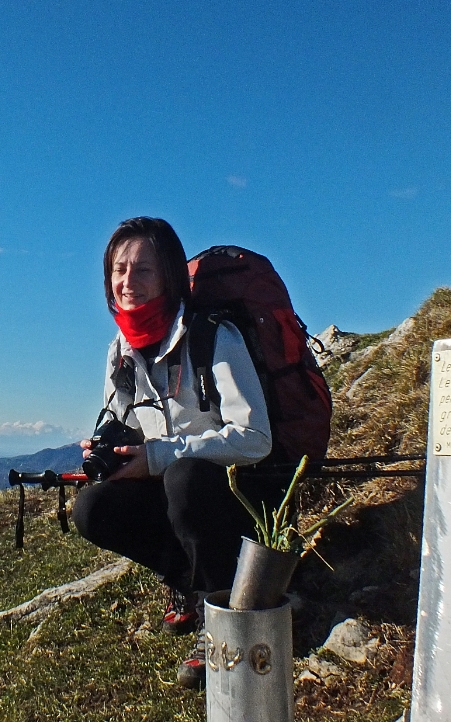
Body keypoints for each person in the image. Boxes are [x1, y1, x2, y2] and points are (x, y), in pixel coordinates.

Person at [71, 216, 296, 689]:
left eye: (143, 270)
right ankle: (189, 583)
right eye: (118, 269)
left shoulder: (213, 337)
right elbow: (127, 422)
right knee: (92, 508)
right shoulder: (120, 351)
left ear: (170, 277)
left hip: (240, 489)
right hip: (177, 492)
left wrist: (160, 456)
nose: (127, 281)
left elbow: (255, 438)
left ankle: (221, 611)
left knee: (185, 478)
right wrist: (109, 449)